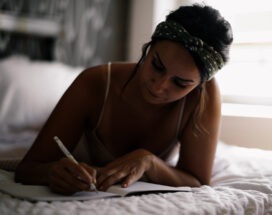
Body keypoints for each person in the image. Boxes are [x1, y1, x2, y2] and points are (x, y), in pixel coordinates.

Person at [15, 4, 233, 195]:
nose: (159, 87)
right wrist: (54, 172)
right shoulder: (95, 82)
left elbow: (198, 181)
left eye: (181, 83)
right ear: (148, 49)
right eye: (157, 66)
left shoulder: (204, 96)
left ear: (198, 85)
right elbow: (27, 169)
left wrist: (149, 162)